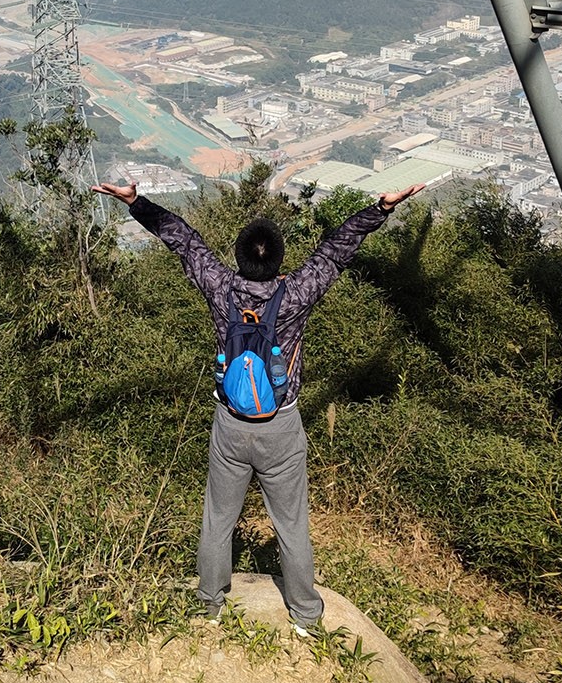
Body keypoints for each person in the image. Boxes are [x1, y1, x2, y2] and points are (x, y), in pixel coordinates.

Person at [92, 177, 426, 633]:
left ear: (238, 256)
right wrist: (380, 209)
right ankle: (306, 616)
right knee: (291, 524)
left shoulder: (220, 288)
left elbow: (185, 243)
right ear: (279, 260)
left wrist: (136, 202)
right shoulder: (296, 295)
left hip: (230, 425)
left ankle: (209, 606)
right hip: (281, 427)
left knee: (218, 520)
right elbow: (334, 253)